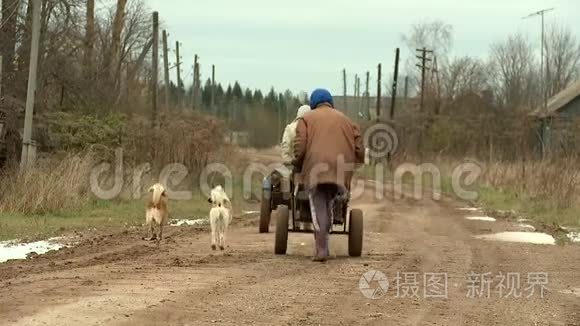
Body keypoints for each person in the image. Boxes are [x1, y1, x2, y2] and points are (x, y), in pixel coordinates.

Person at [292, 89, 364, 262]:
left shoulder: (306, 119)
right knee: (329, 202)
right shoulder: (347, 121)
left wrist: (297, 162)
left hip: (316, 169)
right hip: (340, 169)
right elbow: (359, 149)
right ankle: (326, 242)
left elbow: (300, 147)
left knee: (317, 207)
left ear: (313, 103)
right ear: (331, 102)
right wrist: (356, 161)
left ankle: (321, 249)